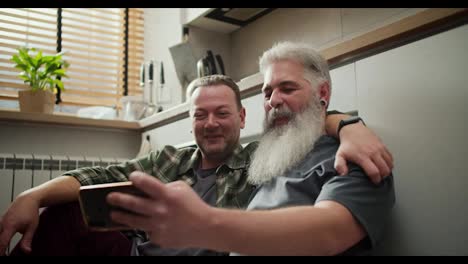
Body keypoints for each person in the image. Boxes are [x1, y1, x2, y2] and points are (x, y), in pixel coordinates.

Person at [0, 74, 392, 256]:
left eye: (221, 113)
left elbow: (304, 123)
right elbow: (101, 176)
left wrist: (349, 126)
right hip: (135, 252)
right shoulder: (172, 157)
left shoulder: (262, 162)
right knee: (65, 212)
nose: (210, 124)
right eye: (200, 115)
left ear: (241, 117)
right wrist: (31, 196)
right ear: (190, 120)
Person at [107, 42, 395, 256]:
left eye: (288, 88)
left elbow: (329, 232)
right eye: (267, 92)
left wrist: (204, 224)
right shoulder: (269, 159)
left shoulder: (356, 156)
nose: (273, 100)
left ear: (323, 93)